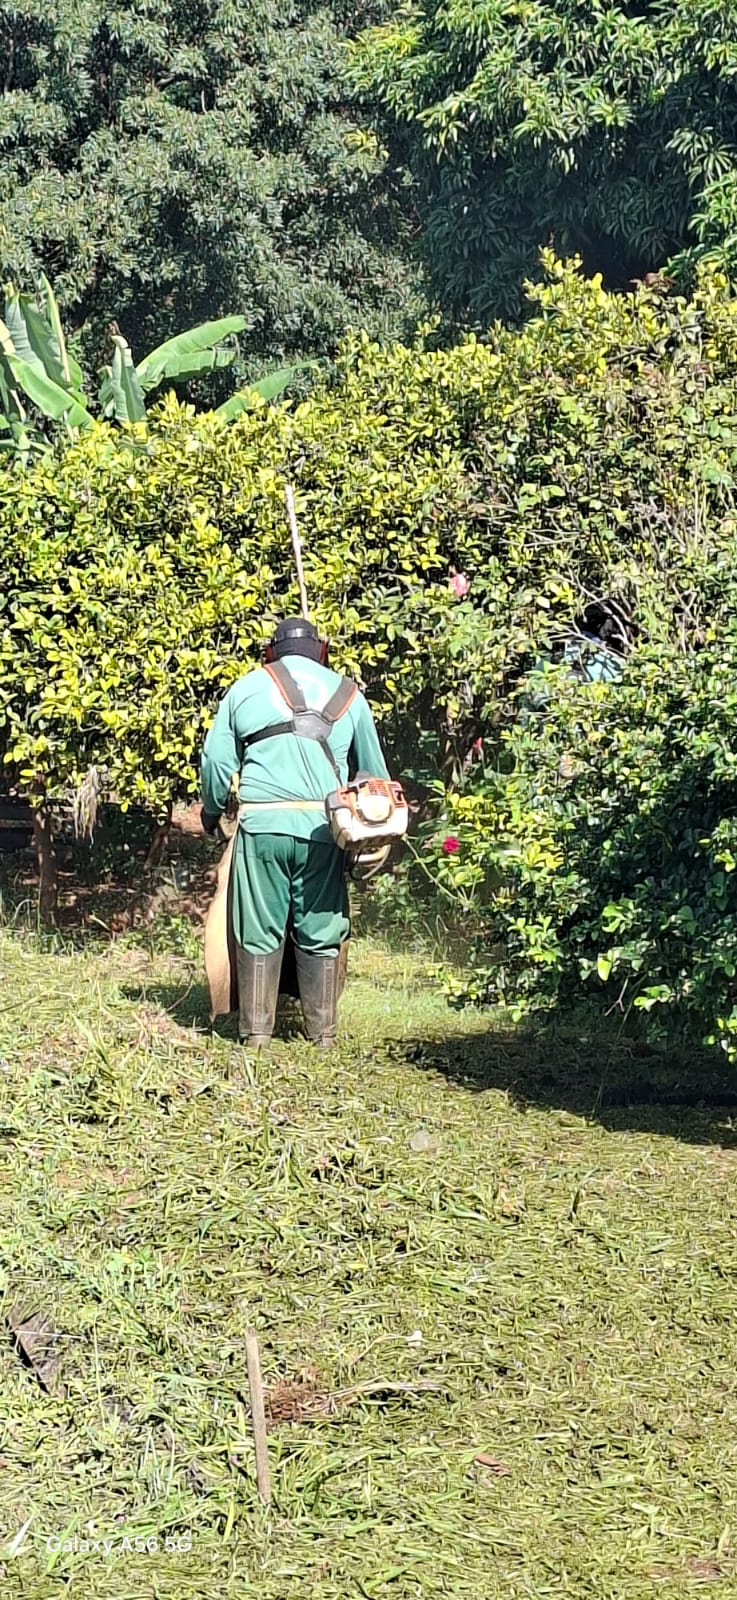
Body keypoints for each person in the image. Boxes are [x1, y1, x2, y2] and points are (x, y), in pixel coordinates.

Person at [200, 617, 390, 1049]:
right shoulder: (350, 695)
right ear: (322, 651)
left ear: (271, 653)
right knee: (321, 927)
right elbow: (374, 777)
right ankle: (321, 1037)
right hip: (326, 827)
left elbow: (215, 762)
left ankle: (255, 1037)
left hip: (262, 826)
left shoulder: (245, 688)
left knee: (258, 927)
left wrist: (211, 813)